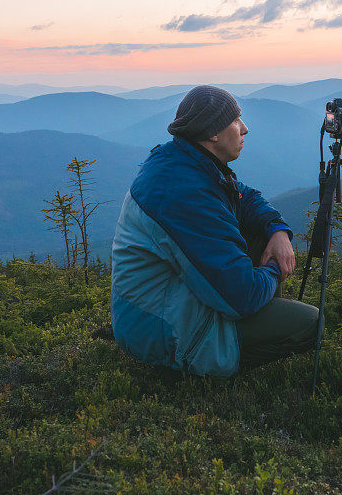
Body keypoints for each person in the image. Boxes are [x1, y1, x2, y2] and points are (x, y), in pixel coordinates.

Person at [110, 85, 318, 376]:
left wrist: (277, 231)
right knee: (311, 324)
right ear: (213, 133)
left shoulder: (185, 162)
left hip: (151, 310)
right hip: (161, 333)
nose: (244, 129)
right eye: (236, 121)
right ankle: (196, 370)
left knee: (260, 235)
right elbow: (242, 297)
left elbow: (245, 197)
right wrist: (273, 267)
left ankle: (255, 320)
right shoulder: (185, 194)